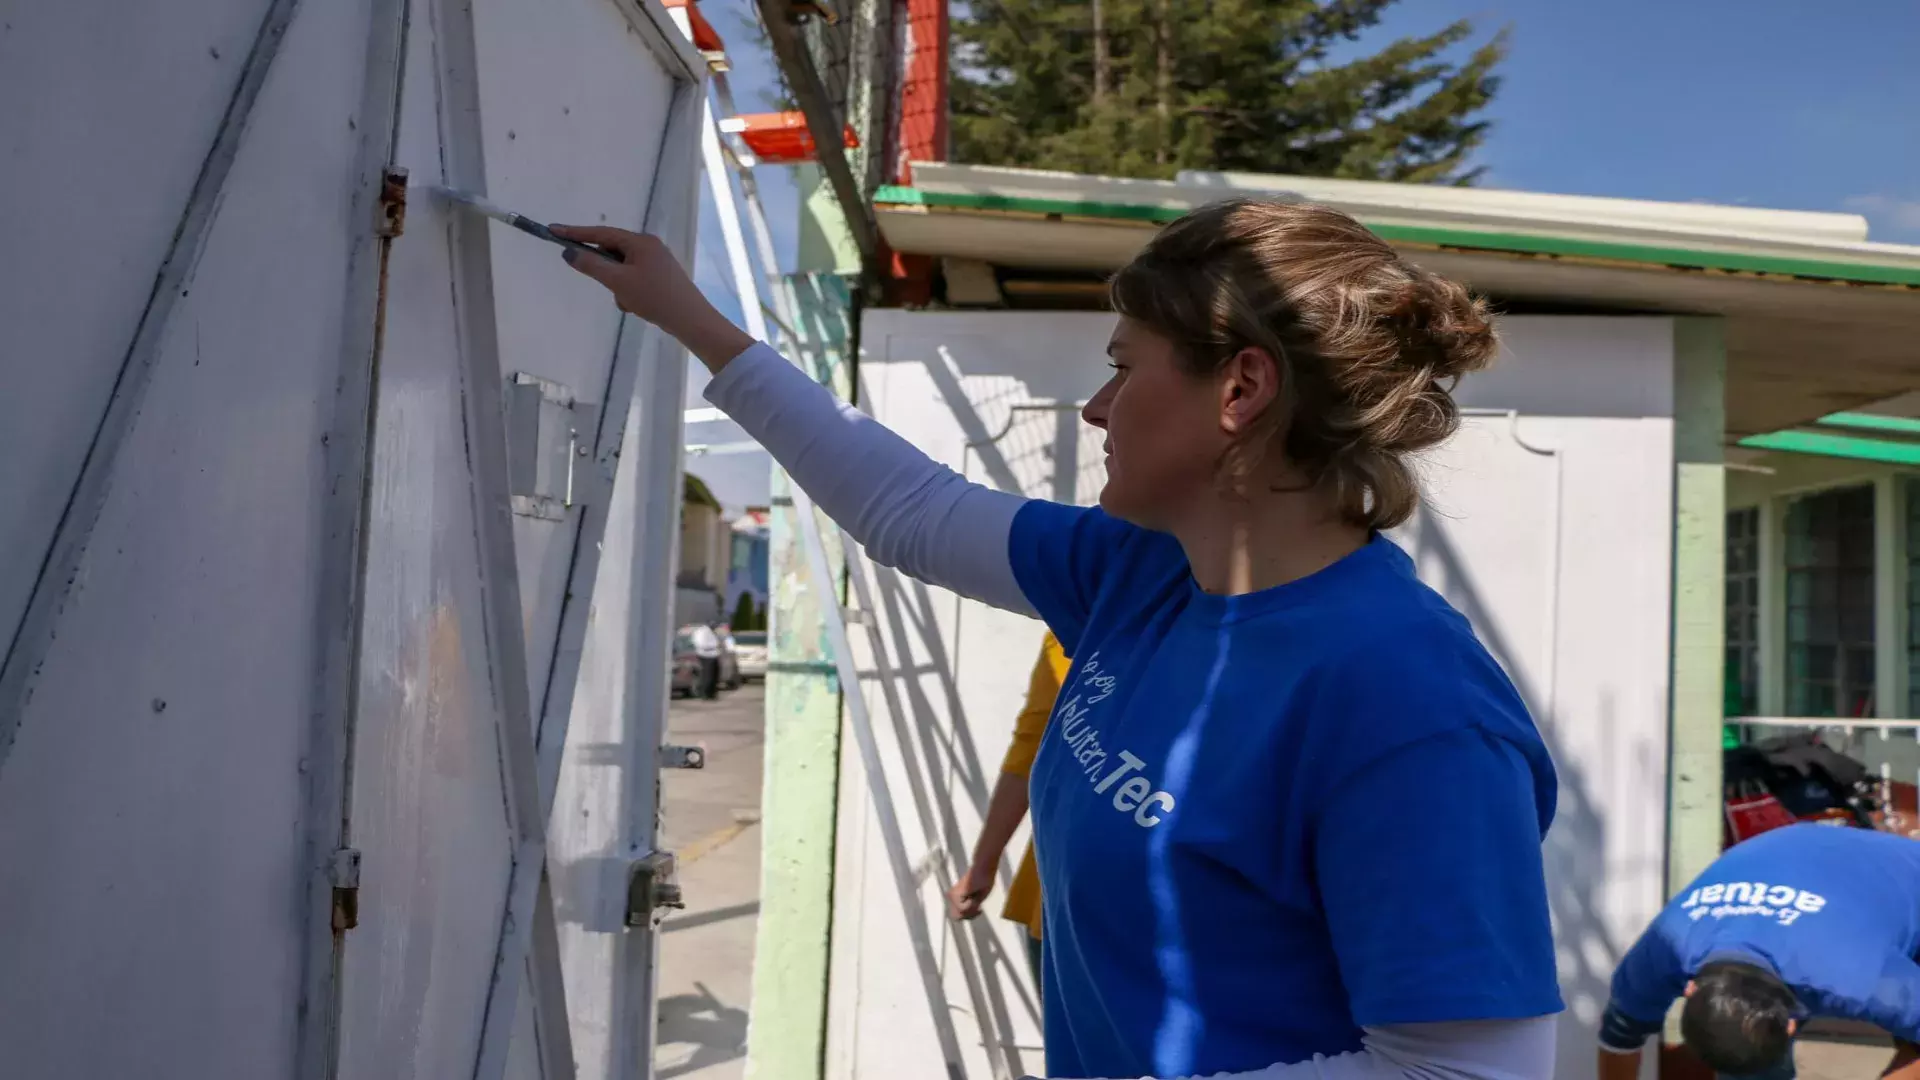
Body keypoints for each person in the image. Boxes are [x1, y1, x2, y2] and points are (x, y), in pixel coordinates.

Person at [553, 199, 1562, 1080]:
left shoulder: (1406, 703)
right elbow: (908, 507)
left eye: (1125, 370)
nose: (1096, 408)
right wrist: (692, 319)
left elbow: (1467, 1069)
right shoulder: (1147, 572)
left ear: (1241, 391)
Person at [1597, 823, 1920, 1080]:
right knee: (1750, 1068)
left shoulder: (1860, 978)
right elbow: (1619, 1038)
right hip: (1803, 859)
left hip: (1904, 876)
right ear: (1691, 989)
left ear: (1791, 1023)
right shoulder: (1662, 951)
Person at [948, 630, 1071, 995]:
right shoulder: (1075, 631)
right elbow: (1030, 750)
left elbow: (1029, 750)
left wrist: (982, 866)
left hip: (1065, 894)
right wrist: (981, 866)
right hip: (1058, 895)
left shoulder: (1080, 629)